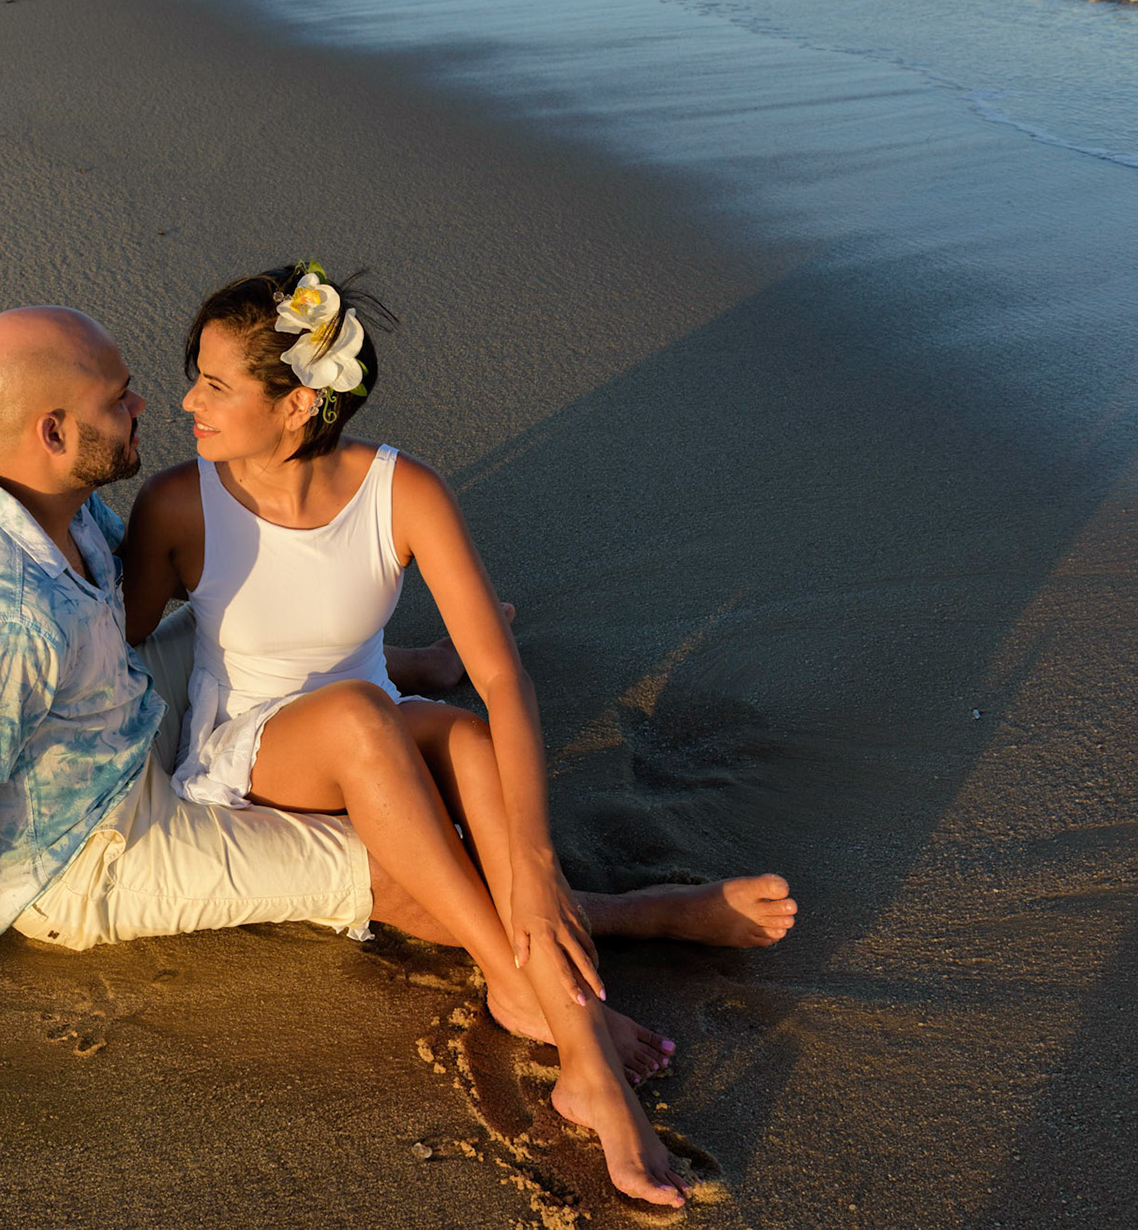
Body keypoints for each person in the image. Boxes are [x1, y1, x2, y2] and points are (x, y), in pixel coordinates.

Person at [0, 303, 794, 1209]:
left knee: (400, 737)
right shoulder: (2, 617)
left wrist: (399, 658)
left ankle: (546, 913)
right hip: (80, 852)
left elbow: (132, 620)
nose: (148, 406)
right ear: (55, 427)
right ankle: (572, 980)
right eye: (122, 397)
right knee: (390, 852)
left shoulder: (31, 491)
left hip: (104, 734)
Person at [119, 263, 796, 1206]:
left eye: (215, 382)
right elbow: (124, 632)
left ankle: (575, 946)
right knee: (366, 721)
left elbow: (503, 679)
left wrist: (536, 861)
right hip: (253, 750)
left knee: (469, 740)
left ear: (300, 405)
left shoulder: (402, 492)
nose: (188, 399)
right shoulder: (178, 505)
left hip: (379, 720)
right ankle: (565, 1012)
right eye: (195, 375)